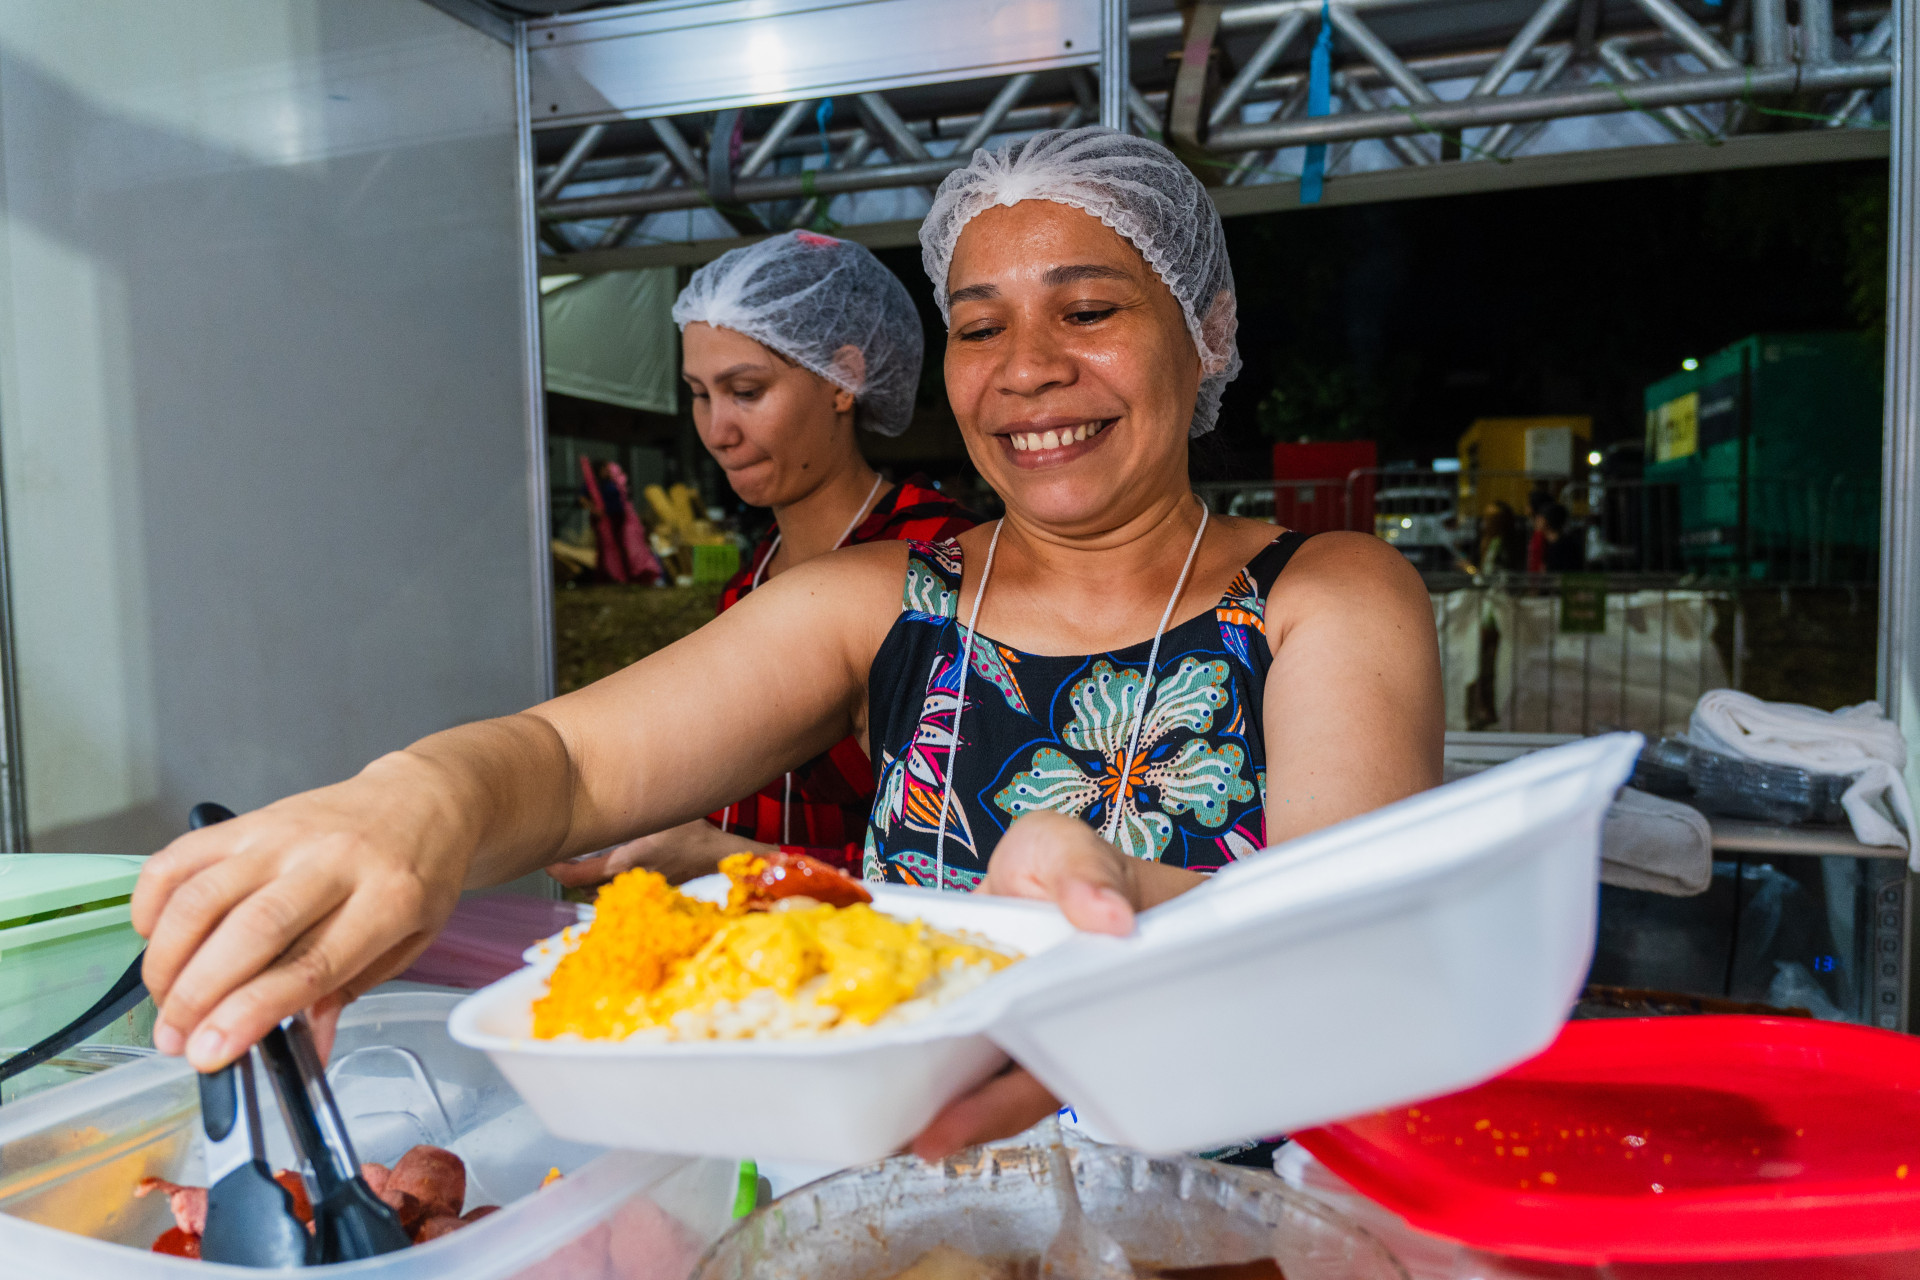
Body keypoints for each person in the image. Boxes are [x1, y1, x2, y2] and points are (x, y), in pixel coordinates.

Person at [130, 128, 1443, 1160]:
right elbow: (572, 765)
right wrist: (412, 805)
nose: (1027, 368)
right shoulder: (880, 600)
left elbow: (1361, 959)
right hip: (886, 1206)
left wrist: (1117, 899)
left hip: (1223, 1219)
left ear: (1201, 331)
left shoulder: (1325, 593)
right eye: (980, 325)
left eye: (1088, 311)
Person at [547, 231, 976, 890]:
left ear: (844, 378)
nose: (718, 430)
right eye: (699, 393)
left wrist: (719, 859)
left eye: (746, 390)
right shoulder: (753, 577)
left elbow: (960, 860)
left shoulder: (939, 554)